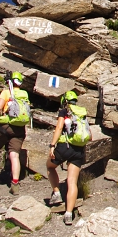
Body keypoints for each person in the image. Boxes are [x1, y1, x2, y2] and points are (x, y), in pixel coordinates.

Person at [0, 71, 30, 194]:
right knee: (14, 155)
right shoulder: (24, 94)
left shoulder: (6, 92)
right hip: (19, 128)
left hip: (5, 126)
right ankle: (15, 184)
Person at [47, 91, 86, 225]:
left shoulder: (64, 111)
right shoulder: (82, 112)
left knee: (50, 166)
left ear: (65, 101)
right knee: (72, 182)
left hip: (65, 147)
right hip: (79, 149)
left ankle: (56, 192)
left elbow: (59, 128)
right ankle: (69, 213)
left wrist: (52, 145)